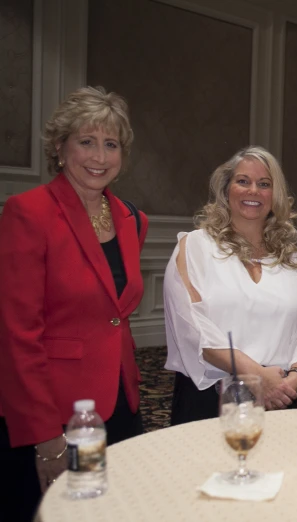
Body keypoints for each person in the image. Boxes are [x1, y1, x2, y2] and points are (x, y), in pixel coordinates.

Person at [0, 86, 148, 520]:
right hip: (55, 409)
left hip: (121, 400)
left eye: (111, 144)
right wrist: (44, 435)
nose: (99, 156)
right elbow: (16, 334)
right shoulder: (29, 212)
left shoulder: (131, 219)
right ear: (60, 148)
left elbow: (115, 316)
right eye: (86, 141)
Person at [163, 146, 297, 424]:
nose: (253, 191)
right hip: (209, 400)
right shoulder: (194, 248)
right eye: (243, 181)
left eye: (264, 184)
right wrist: (257, 376)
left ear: (275, 196)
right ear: (227, 190)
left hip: (280, 396)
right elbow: (192, 328)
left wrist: (294, 379)